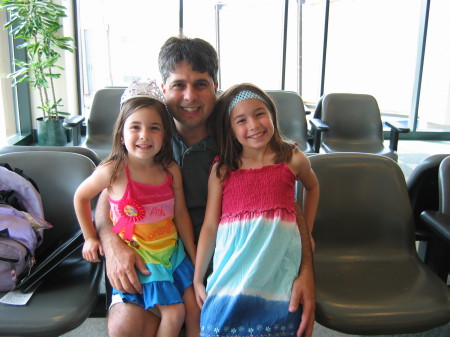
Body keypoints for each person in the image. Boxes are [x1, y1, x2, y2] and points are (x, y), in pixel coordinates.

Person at [95, 35, 316, 337]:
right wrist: (112, 243)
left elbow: (287, 202)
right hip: (158, 256)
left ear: (215, 86)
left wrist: (307, 270)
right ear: (163, 89)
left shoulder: (240, 133)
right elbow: (107, 198)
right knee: (126, 327)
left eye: (200, 84)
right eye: (178, 85)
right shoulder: (148, 134)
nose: (190, 96)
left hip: (234, 258)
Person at [74, 79, 199, 337]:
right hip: (144, 257)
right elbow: (81, 197)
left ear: (164, 135)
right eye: (135, 127)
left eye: (154, 128)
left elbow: (181, 215)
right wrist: (89, 237)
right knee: (174, 313)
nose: (144, 135)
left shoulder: (170, 170)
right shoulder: (113, 171)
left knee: (194, 307)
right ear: (121, 134)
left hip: (172, 252)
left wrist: (194, 255)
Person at [193, 83, 320, 337]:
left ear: (272, 114)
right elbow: (209, 226)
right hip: (233, 269)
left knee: (282, 325)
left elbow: (313, 187)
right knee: (217, 326)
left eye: (260, 113)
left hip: (279, 267)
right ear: (230, 129)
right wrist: (198, 278)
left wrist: (309, 233)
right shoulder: (222, 170)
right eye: (241, 120)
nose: (253, 125)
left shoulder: (293, 159)